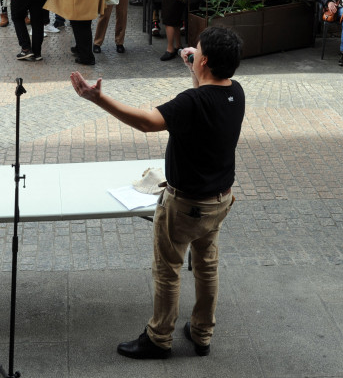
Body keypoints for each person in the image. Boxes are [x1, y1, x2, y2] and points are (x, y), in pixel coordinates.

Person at [70, 25, 245, 360]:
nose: (191, 52)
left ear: (205, 60)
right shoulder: (235, 92)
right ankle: (201, 333)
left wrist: (98, 97)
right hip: (218, 201)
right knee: (207, 266)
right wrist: (194, 69)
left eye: (197, 51)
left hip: (185, 205)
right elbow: (206, 95)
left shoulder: (191, 102)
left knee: (168, 269)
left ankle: (159, 337)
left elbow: (148, 122)